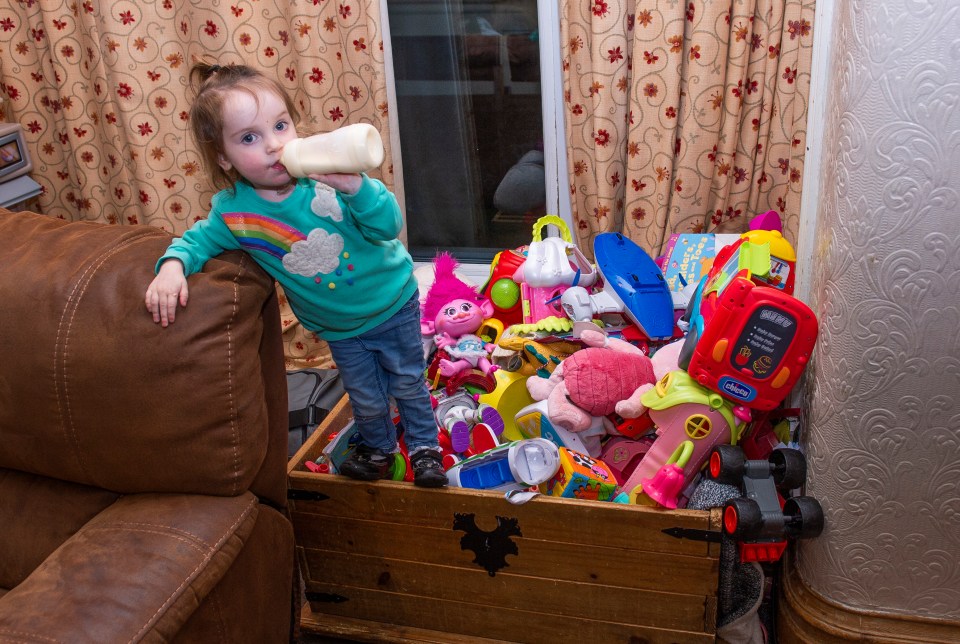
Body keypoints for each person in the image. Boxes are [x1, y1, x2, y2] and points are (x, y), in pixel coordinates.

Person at [144, 62, 447, 487]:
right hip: (340, 329)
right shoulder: (233, 212)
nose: (272, 145)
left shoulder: (326, 179)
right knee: (365, 397)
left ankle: (425, 449)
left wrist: (357, 187)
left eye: (280, 126)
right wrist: (173, 266)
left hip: (392, 302)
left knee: (408, 381)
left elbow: (386, 226)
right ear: (224, 158)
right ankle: (380, 450)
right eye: (249, 137)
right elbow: (194, 243)